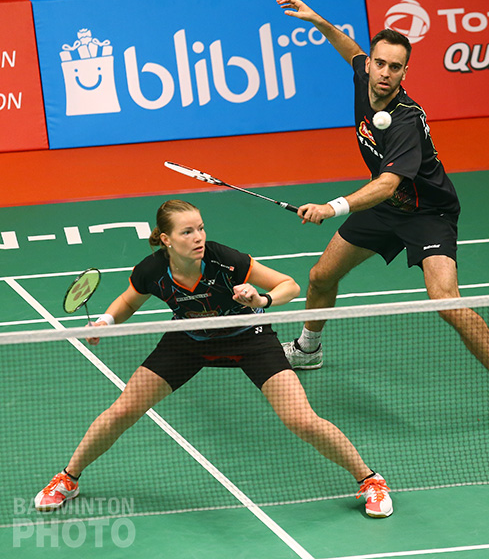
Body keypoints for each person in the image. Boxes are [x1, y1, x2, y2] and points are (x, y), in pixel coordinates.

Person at [34, 200, 392, 518]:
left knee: (301, 420)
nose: (199, 237)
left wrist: (260, 300)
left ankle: (371, 481)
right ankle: (68, 479)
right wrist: (106, 322)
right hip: (188, 340)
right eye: (187, 232)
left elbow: (289, 285)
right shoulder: (153, 270)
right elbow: (130, 299)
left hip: (249, 338)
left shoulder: (224, 260)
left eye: (201, 228)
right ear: (166, 239)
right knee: (123, 410)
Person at [276, 0, 489, 434]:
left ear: (404, 73)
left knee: (446, 301)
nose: (384, 73)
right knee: (320, 277)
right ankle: (308, 348)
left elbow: (386, 184)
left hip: (427, 212)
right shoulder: (365, 75)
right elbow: (349, 49)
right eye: (379, 63)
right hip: (385, 210)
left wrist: (332, 207)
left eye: (394, 67)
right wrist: (318, 19)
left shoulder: (406, 120)